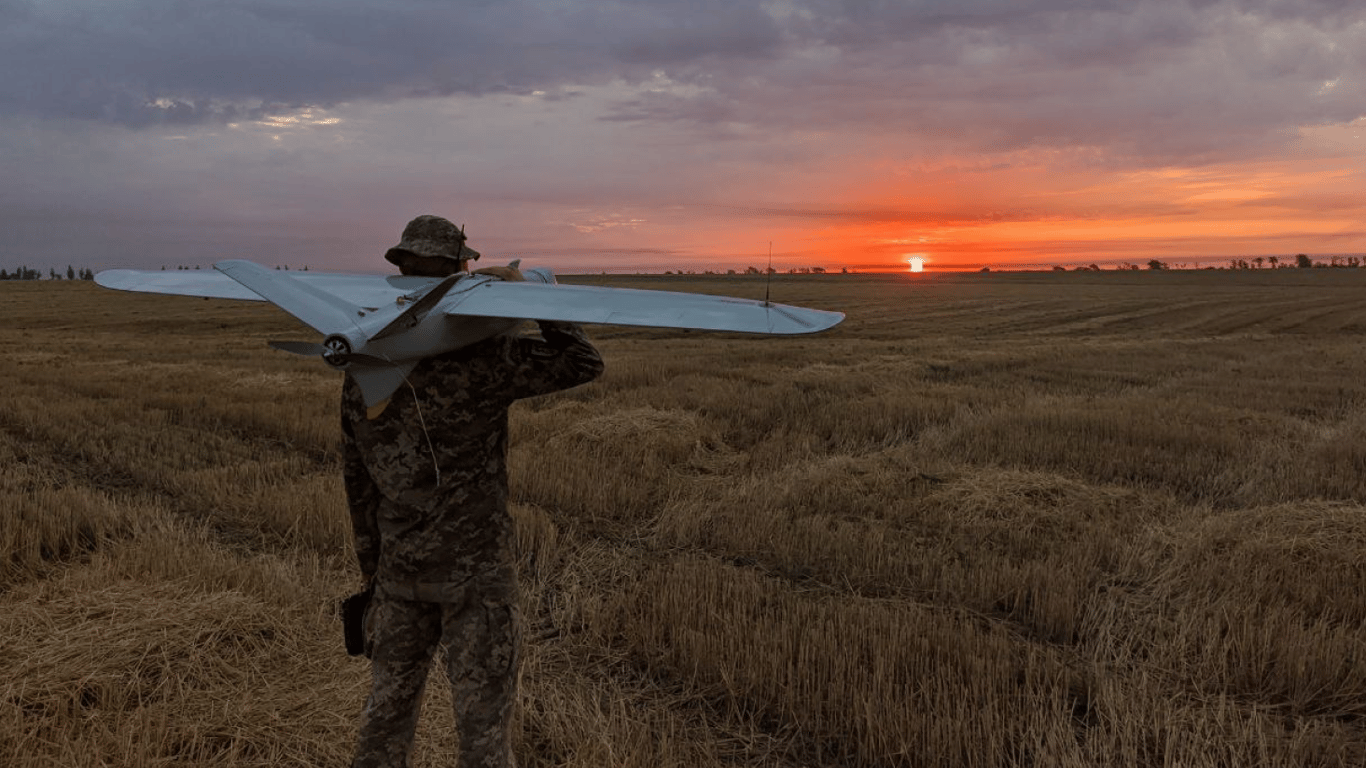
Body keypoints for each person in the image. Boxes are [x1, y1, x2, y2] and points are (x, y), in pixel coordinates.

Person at [343, 215, 604, 768]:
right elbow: (584, 362)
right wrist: (540, 297)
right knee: (483, 736)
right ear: (460, 269)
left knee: (384, 723)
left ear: (402, 269)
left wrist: (374, 574)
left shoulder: (363, 365)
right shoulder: (488, 360)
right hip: (475, 579)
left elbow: (357, 481)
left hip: (399, 574)